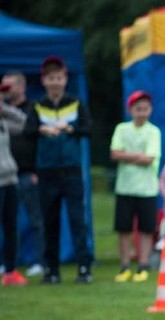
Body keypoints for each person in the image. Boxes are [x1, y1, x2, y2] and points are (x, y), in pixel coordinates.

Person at [24, 55, 93, 284]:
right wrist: (43, 130)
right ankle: (51, 270)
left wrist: (70, 128)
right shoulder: (38, 106)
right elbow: (27, 132)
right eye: (51, 78)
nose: (55, 82)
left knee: (77, 220)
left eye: (59, 78)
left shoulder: (75, 103)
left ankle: (84, 268)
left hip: (71, 171)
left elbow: (88, 128)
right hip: (47, 172)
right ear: (44, 80)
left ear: (65, 79)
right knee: (49, 222)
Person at [110, 90, 162, 283]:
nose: (142, 112)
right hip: (125, 187)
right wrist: (137, 155)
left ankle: (143, 264)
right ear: (131, 110)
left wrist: (127, 155)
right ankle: (124, 265)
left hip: (147, 189)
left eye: (145, 109)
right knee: (124, 228)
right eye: (138, 109)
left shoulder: (153, 131)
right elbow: (115, 154)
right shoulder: (122, 129)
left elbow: (148, 159)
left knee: (146, 229)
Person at [2, 71, 44, 277]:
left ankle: (39, 261)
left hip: (26, 173)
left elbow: (25, 126)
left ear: (22, 86)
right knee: (7, 223)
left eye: (8, 87)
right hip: (5, 179)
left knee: (35, 219)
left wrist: (4, 110)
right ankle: (8, 263)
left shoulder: (30, 110)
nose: (6, 92)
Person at [0, 84, 29, 286]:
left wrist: (5, 108)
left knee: (11, 227)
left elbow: (26, 123)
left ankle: (10, 271)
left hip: (10, 180)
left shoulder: (3, 122)